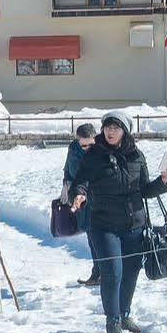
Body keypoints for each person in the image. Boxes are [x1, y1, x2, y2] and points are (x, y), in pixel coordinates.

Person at [71, 111, 167, 333]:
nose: (110, 131)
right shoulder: (94, 156)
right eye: (107, 127)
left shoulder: (136, 156)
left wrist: (163, 182)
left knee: (131, 272)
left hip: (134, 225)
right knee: (112, 273)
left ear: (125, 131)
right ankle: (113, 322)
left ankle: (125, 314)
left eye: (116, 128)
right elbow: (82, 181)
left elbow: (145, 190)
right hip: (104, 225)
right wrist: (79, 195)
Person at [63, 123, 103, 287]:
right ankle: (97, 273)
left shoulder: (100, 150)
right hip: (79, 199)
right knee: (91, 236)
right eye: (83, 144)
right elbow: (68, 170)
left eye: (90, 144)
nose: (87, 148)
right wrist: (66, 185)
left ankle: (101, 273)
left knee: (99, 237)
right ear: (77, 140)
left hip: (98, 198)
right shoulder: (73, 150)